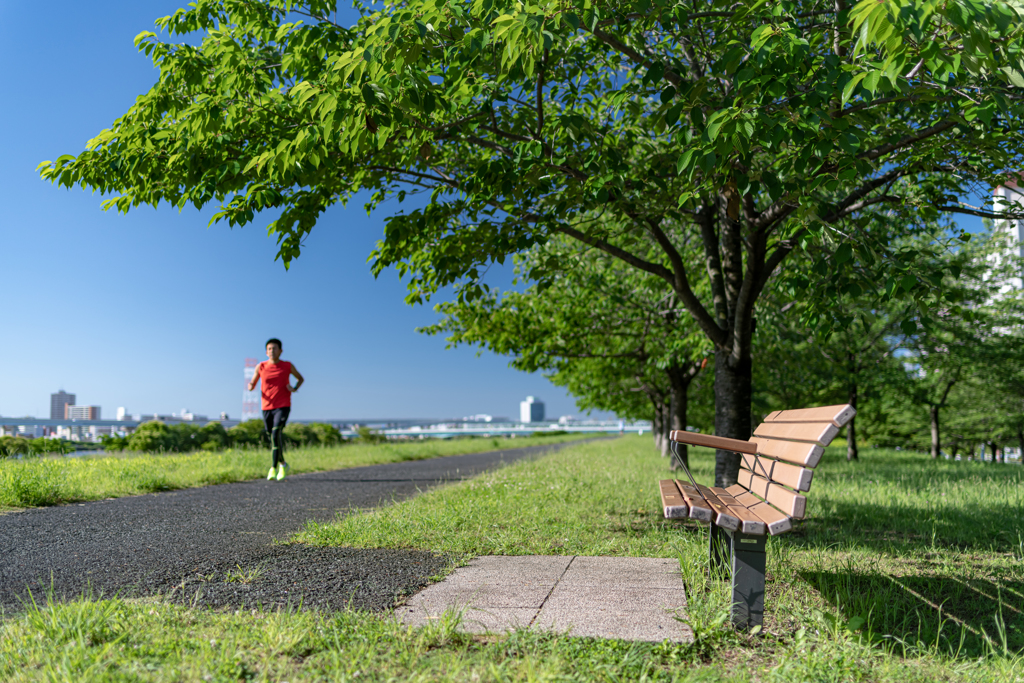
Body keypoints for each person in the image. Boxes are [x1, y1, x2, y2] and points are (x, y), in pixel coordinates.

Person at [247, 338, 304, 480]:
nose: (272, 351)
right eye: (269, 349)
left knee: (275, 433)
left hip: (283, 405)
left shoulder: (287, 365)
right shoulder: (261, 366)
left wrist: (294, 388)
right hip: (267, 406)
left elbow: (300, 378)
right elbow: (253, 382)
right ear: (266, 352)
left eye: (274, 348)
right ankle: (283, 464)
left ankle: (273, 468)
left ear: (281, 351)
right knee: (272, 437)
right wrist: (250, 386)